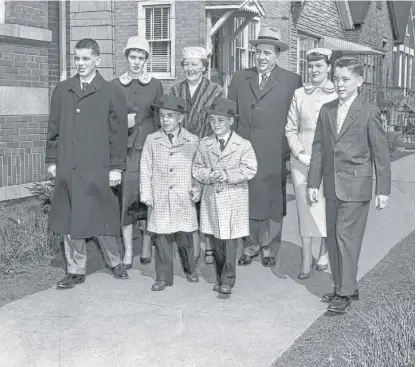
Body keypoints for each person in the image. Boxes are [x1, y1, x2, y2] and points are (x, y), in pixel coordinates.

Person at [308, 57, 391, 314]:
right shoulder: (327, 109)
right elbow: (319, 148)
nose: (340, 84)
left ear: (359, 81)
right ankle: (344, 285)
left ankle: (343, 294)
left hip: (356, 187)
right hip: (333, 185)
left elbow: (381, 152)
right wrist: (313, 182)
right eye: (337, 78)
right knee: (333, 238)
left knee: (346, 238)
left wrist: (383, 190)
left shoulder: (368, 111)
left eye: (345, 79)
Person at [45, 38, 129, 289]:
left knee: (103, 216)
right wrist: (52, 160)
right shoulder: (63, 89)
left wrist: (116, 167)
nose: (80, 63)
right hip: (69, 165)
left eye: (86, 58)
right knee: (71, 219)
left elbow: (119, 133)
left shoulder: (112, 91)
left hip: (99, 166)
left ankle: (115, 262)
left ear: (97, 60)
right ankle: (75, 269)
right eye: (77, 58)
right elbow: (53, 128)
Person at [228, 27, 303, 269]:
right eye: (258, 52)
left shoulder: (292, 81)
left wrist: (291, 153)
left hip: (274, 151)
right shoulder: (240, 78)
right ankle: (250, 246)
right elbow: (231, 114)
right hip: (245, 150)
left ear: (277, 55)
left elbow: (296, 121)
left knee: (273, 201)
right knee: (247, 199)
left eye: (267, 53)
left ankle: (270, 248)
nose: (261, 57)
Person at [193, 97, 257, 295]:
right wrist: (208, 175)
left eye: (221, 120)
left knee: (229, 241)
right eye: (212, 120)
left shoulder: (243, 144)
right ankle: (220, 275)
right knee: (216, 241)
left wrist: (228, 175)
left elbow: (250, 169)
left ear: (231, 121)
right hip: (212, 198)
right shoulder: (205, 144)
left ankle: (228, 279)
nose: (216, 124)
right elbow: (196, 168)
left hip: (233, 198)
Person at [140, 94, 201, 291]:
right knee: (162, 238)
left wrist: (196, 189)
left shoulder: (192, 140)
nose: (165, 120)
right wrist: (146, 194)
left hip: (183, 197)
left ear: (181, 118)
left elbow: (197, 169)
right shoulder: (152, 140)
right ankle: (163, 277)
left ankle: (190, 268)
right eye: (163, 116)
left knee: (184, 237)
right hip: (161, 197)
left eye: (171, 116)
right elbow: (145, 168)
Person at [112, 36, 163, 269]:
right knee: (127, 199)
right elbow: (108, 119)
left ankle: (146, 244)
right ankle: (128, 250)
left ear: (146, 60)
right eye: (132, 57)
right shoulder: (115, 85)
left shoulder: (154, 84)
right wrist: (123, 121)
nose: (136, 62)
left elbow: (159, 120)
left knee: (149, 196)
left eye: (141, 57)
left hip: (149, 148)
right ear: (126, 58)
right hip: (126, 151)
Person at [285, 48, 337, 279]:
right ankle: (306, 259)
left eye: (319, 65)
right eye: (311, 66)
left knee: (326, 206)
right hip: (302, 161)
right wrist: (299, 153)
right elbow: (290, 128)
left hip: (329, 161)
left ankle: (324, 252)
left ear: (329, 67)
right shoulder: (299, 93)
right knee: (305, 208)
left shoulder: (338, 92)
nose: (314, 70)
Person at [171, 46, 225, 266]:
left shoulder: (215, 90)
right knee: (185, 199)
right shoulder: (175, 90)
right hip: (182, 153)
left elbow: (219, 121)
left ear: (204, 67)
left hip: (206, 152)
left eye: (195, 64)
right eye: (187, 64)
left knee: (207, 202)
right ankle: (188, 247)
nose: (190, 69)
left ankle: (210, 246)